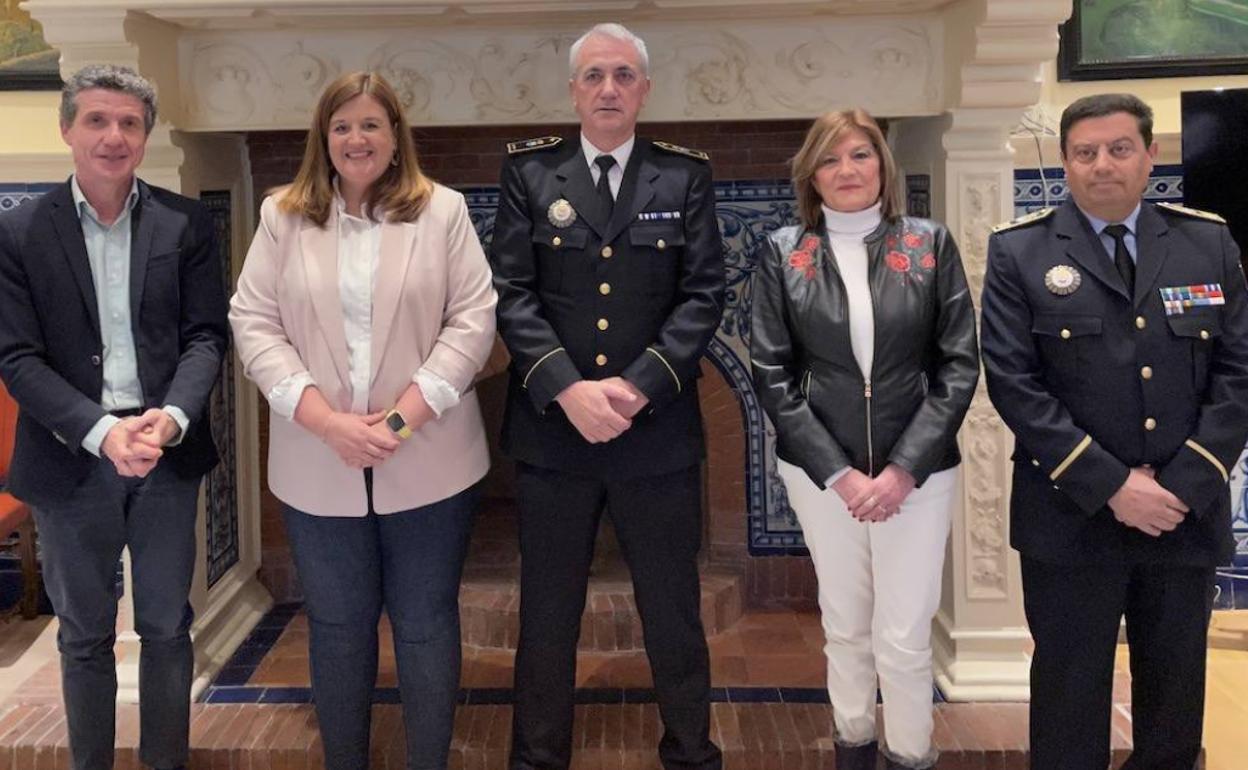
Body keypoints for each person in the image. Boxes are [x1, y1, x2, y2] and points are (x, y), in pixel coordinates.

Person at [229, 71, 497, 770]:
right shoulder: (281, 216)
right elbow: (252, 323)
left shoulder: (443, 212)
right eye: (343, 125)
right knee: (340, 627)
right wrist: (329, 424)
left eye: (372, 124)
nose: (357, 138)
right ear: (324, 137)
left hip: (432, 459)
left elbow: (473, 322)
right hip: (317, 463)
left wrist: (399, 423)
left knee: (425, 624)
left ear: (396, 136)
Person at [980, 93, 1248, 770]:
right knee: (1069, 702)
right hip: (1070, 517)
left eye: (1119, 148)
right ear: (1066, 163)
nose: (1103, 165)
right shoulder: (1020, 252)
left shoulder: (1206, 242)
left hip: (1182, 517)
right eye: (1085, 152)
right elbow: (1014, 383)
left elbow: (1239, 372)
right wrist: (1113, 487)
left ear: (1151, 155)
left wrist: (1181, 486)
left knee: (1174, 705)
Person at [488, 22, 724, 770]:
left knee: (673, 612)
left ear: (645, 89)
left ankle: (691, 753)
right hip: (554, 435)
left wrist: (634, 385)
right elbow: (513, 295)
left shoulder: (683, 176)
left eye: (624, 75)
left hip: (654, 432)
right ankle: (536, 757)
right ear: (574, 90)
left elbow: (703, 297)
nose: (609, 88)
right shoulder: (530, 174)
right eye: (594, 76)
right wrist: (567, 389)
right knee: (548, 614)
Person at [0, 65, 228, 770]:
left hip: (163, 452)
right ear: (67, 128)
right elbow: (16, 356)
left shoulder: (185, 222)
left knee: (166, 626)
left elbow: (205, 336)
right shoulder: (17, 232)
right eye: (97, 120)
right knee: (84, 634)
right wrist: (100, 432)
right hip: (72, 460)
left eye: (129, 122)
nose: (113, 136)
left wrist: (173, 417)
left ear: (146, 135)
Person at [750, 109, 979, 770]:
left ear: (883, 163)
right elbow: (771, 370)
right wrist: (840, 474)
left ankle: (911, 754)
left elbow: (958, 364)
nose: (846, 171)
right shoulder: (783, 251)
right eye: (829, 159)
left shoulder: (930, 244)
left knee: (904, 636)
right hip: (823, 476)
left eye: (859, 155)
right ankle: (852, 745)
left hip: (921, 475)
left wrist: (904, 469)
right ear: (810, 176)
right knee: (845, 625)